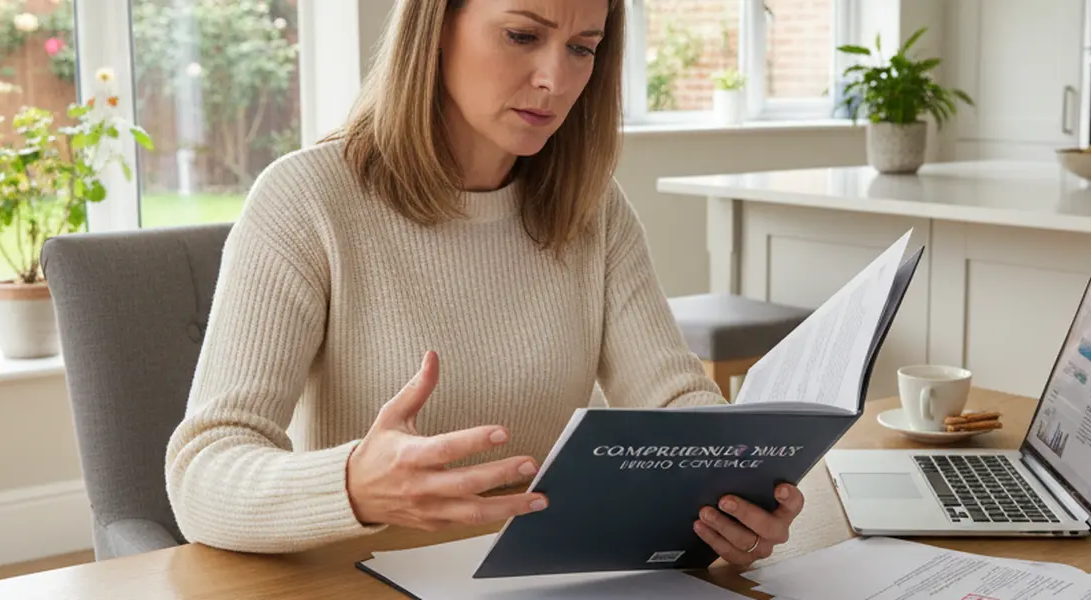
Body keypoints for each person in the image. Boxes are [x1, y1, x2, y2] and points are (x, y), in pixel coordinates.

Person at [164, 0, 804, 567]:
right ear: (437, 25)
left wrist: (736, 481)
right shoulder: (306, 200)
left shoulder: (591, 207)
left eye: (583, 47)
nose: (555, 80)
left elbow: (672, 400)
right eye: (523, 36)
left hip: (548, 575)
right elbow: (204, 473)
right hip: (361, 579)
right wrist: (354, 484)